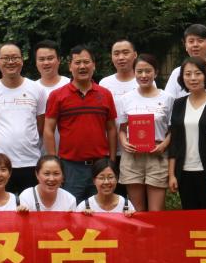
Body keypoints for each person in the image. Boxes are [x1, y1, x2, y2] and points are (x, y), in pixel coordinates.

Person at [43, 45, 117, 202]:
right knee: (70, 208)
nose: (82, 66)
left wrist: (111, 161)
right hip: (70, 167)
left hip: (100, 166)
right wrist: (54, 163)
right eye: (77, 62)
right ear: (70, 66)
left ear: (94, 65)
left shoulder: (105, 94)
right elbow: (48, 129)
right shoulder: (57, 95)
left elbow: (111, 129)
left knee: (99, 208)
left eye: (86, 62)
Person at [0, 43, 46, 194]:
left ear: (22, 60)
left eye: (15, 57)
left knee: (31, 205)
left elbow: (41, 126)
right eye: (6, 58)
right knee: (1, 206)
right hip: (0, 165)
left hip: (31, 162)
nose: (10, 62)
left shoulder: (37, 90)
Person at [117, 54, 172, 212]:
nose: (143, 75)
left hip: (157, 155)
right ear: (134, 72)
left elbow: (173, 130)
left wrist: (164, 145)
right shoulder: (126, 99)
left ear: (156, 72)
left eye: (148, 71)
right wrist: (124, 142)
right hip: (132, 156)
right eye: (139, 71)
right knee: (137, 211)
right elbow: (122, 129)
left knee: (156, 211)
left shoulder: (167, 98)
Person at [167, 57, 206, 210]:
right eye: (188, 74)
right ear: (182, 78)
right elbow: (175, 142)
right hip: (184, 172)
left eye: (198, 73)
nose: (193, 78)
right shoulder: (178, 104)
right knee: (189, 217)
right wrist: (171, 175)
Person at [100, 38, 139, 194]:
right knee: (114, 195)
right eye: (116, 53)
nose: (121, 57)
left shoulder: (143, 80)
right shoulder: (105, 83)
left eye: (125, 52)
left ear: (135, 55)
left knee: (136, 199)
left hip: (136, 150)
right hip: (110, 150)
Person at [164, 24, 206, 99]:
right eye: (191, 41)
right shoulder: (177, 73)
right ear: (186, 46)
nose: (195, 45)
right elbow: (168, 100)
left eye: (200, 41)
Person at [33, 40, 70, 153]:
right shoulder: (30, 89)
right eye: (41, 59)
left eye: (50, 58)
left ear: (59, 60)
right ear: (36, 62)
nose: (46, 63)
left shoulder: (71, 85)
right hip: (40, 155)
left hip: (71, 154)